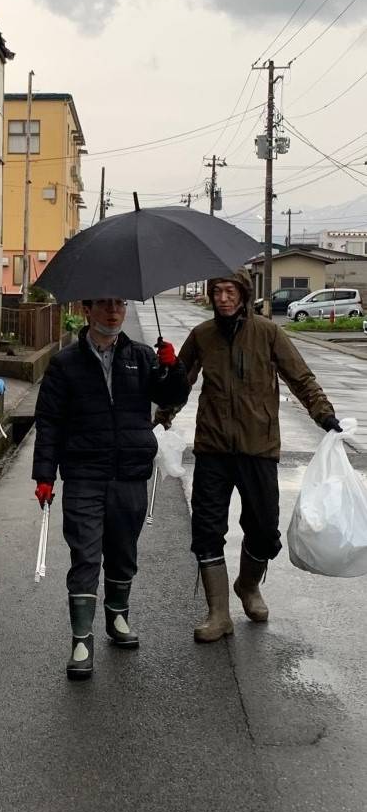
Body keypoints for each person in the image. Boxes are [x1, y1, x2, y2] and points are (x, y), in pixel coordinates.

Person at [155, 269, 341, 642]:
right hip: (212, 449)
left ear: (243, 294)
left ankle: (248, 586)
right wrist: (163, 408)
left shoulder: (269, 334)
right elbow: (181, 383)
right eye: (217, 292)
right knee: (207, 530)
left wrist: (324, 414)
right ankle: (218, 613)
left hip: (259, 448)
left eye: (229, 291)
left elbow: (301, 378)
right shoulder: (203, 336)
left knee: (264, 530)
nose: (223, 298)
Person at [32, 297, 189, 680]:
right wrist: (44, 475)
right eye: (104, 305)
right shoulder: (65, 363)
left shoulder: (140, 356)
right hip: (84, 472)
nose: (113, 312)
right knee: (85, 554)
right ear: (87, 310)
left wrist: (172, 368)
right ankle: (81, 639)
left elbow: (172, 397)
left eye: (119, 305)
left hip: (130, 472)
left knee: (123, 551)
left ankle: (117, 618)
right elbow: (49, 421)